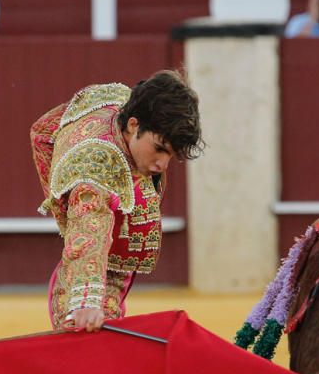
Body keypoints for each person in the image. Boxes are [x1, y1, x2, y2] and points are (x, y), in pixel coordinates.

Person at [30, 70, 204, 332]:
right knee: (92, 347)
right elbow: (89, 225)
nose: (163, 164)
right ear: (133, 125)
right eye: (159, 148)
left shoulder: (122, 101)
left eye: (171, 155)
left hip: (108, 259)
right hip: (92, 275)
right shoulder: (97, 163)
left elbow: (44, 130)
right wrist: (86, 300)